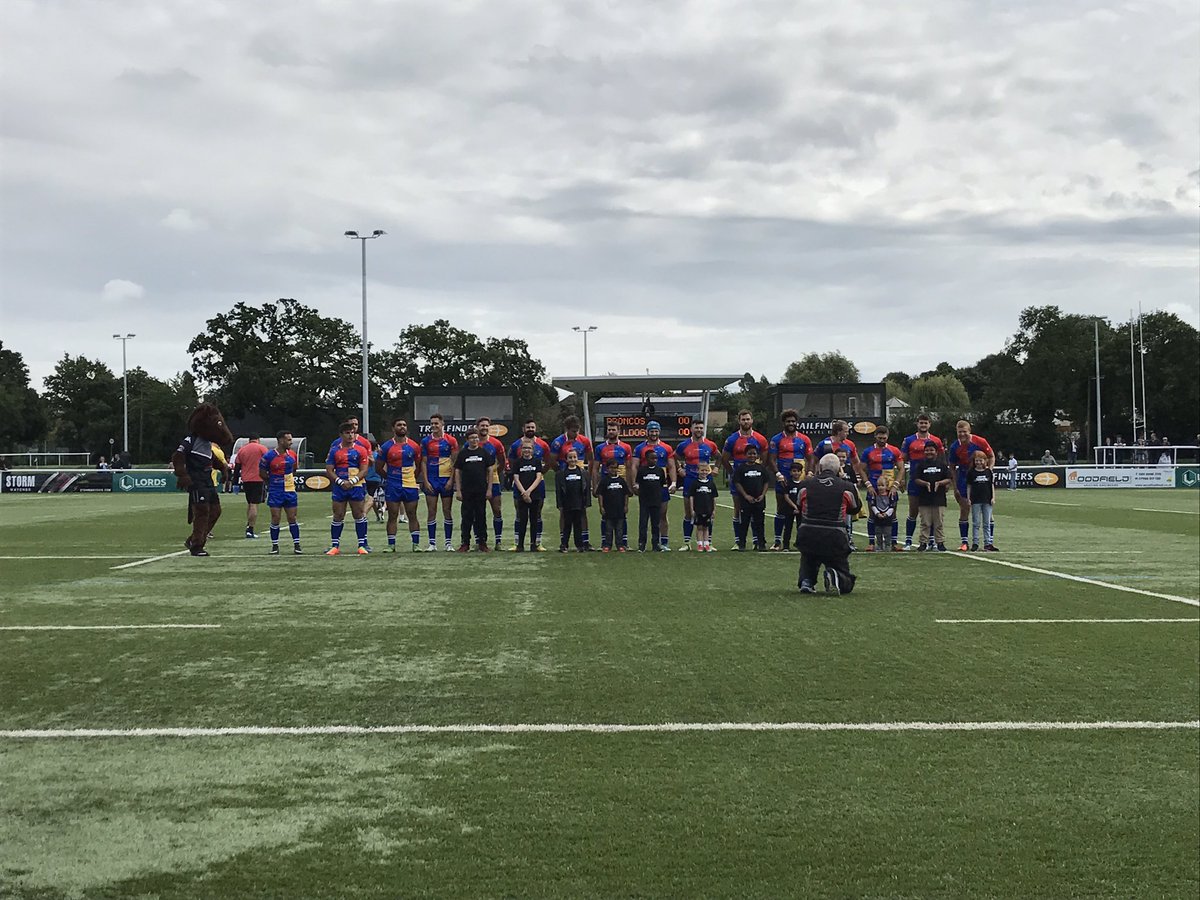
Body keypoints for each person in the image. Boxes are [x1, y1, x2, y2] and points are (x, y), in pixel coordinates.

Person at [172, 403, 234, 557]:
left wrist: (223, 469)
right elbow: (178, 456)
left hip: (208, 481)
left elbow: (212, 459)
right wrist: (182, 474)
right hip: (196, 481)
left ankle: (194, 539)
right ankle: (197, 546)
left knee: (216, 511)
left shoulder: (206, 444)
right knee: (202, 512)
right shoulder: (190, 440)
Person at [795, 453, 862, 595]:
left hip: (807, 533)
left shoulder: (805, 484)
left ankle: (806, 580)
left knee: (808, 555)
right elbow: (855, 508)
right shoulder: (847, 487)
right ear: (839, 469)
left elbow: (798, 505)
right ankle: (836, 575)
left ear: (819, 467)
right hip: (835, 535)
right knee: (843, 575)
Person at [721, 409, 770, 550]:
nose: (746, 422)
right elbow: (724, 459)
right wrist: (733, 474)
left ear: (752, 420)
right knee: (738, 509)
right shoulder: (732, 439)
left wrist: (759, 473)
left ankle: (756, 541)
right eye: (743, 419)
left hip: (755, 481)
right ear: (739, 421)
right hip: (739, 482)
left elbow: (765, 459)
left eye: (748, 419)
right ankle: (738, 541)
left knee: (756, 510)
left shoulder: (760, 439)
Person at [768, 410, 815, 551]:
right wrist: (777, 474)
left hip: (800, 479)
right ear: (784, 423)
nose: (791, 424)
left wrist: (810, 472)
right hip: (783, 479)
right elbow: (771, 459)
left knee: (802, 509)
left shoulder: (804, 439)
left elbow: (811, 457)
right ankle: (778, 541)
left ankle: (802, 541)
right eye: (788, 421)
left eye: (793, 421)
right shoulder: (776, 439)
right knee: (781, 509)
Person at [947, 420, 996, 551]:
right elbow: (952, 466)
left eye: (964, 432)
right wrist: (955, 485)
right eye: (959, 432)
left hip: (981, 477)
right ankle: (965, 542)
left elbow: (991, 456)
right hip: (964, 476)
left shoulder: (980, 441)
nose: (962, 434)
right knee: (965, 508)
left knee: (987, 510)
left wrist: (988, 471)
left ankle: (988, 541)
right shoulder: (954, 447)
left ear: (969, 431)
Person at [377, 418, 424, 552]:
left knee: (412, 514)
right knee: (393, 514)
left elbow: (419, 465)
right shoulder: (386, 447)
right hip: (393, 485)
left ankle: (416, 544)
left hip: (409, 484)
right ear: (393, 428)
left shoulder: (414, 446)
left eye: (404, 425)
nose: (402, 427)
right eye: (399, 425)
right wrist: (390, 478)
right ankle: (391, 545)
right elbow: (378, 468)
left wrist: (412, 478)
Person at [325, 422, 372, 555]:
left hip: (356, 486)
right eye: (347, 433)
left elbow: (364, 470)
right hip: (340, 487)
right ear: (341, 435)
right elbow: (329, 470)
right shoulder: (335, 450)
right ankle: (335, 545)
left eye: (352, 432)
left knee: (359, 514)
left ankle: (362, 544)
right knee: (338, 515)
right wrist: (340, 481)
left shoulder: (360, 450)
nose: (351, 435)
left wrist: (353, 481)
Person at [630, 421, 677, 550]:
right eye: (651, 431)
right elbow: (634, 466)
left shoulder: (666, 448)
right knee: (645, 516)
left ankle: (664, 542)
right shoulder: (640, 448)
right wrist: (634, 483)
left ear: (659, 432)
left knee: (662, 513)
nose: (654, 433)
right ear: (647, 432)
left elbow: (671, 466)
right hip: (646, 486)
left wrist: (673, 483)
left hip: (660, 485)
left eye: (656, 431)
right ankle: (643, 543)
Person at [900, 414, 944, 550]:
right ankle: (908, 541)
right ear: (917, 424)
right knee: (913, 510)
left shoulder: (936, 441)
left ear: (930, 424)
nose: (923, 425)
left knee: (931, 512)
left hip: (932, 480)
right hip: (915, 480)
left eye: (925, 423)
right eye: (921, 423)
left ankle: (931, 541)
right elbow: (902, 459)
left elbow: (941, 459)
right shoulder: (909, 440)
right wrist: (901, 478)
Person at [675, 419, 720, 550]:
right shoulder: (684, 445)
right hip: (690, 479)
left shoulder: (710, 445)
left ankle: (708, 543)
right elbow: (674, 457)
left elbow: (719, 456)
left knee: (708, 511)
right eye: (696, 427)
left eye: (701, 428)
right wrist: (679, 469)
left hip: (706, 480)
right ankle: (687, 542)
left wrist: (716, 468)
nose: (699, 430)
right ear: (691, 429)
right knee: (689, 512)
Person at [550, 416, 594, 550]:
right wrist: (561, 474)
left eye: (578, 430)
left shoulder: (584, 440)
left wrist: (588, 477)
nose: (576, 434)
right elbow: (552, 461)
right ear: (567, 429)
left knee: (582, 511)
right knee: (564, 512)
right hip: (566, 479)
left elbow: (591, 459)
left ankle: (584, 541)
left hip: (580, 480)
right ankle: (564, 542)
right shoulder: (558, 442)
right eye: (573, 431)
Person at [508, 418, 553, 550]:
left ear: (535, 428)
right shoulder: (516, 445)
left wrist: (538, 477)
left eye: (532, 427)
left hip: (537, 486)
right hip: (520, 486)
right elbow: (512, 464)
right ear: (523, 429)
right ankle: (518, 543)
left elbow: (548, 463)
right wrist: (523, 490)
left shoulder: (543, 445)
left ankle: (537, 543)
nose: (530, 430)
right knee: (519, 515)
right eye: (528, 427)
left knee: (537, 514)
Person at [861, 425, 904, 552]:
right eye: (879, 437)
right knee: (872, 514)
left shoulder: (894, 450)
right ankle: (871, 543)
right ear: (875, 437)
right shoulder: (868, 451)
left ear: (887, 437)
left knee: (893, 514)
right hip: (874, 488)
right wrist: (867, 484)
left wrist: (896, 485)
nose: (882, 440)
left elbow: (901, 469)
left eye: (884, 437)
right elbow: (861, 469)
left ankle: (894, 543)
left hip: (890, 488)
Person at [421, 413, 460, 551]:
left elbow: (455, 463)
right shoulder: (426, 441)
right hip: (431, 480)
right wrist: (425, 481)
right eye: (431, 423)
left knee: (446, 510)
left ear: (442, 424)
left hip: (445, 480)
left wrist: (451, 480)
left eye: (436, 423)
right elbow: (424, 463)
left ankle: (448, 543)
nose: (433, 426)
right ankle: (432, 543)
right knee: (431, 511)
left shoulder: (451, 441)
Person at [593, 421, 634, 551]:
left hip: (620, 486)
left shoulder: (626, 447)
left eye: (613, 430)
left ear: (618, 431)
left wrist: (630, 486)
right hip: (606, 485)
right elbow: (595, 468)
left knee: (622, 514)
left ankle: (623, 542)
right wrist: (595, 486)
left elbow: (629, 468)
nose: (611, 432)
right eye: (609, 430)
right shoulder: (600, 448)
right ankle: (605, 543)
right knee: (605, 515)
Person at [259, 430, 302, 555]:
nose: (291, 442)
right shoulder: (269, 456)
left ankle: (297, 544)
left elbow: (294, 469)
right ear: (281, 441)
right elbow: (262, 473)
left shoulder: (292, 455)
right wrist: (273, 482)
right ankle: (275, 545)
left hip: (289, 490)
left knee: (292, 518)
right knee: (275, 518)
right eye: (288, 440)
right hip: (275, 491)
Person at [453, 431, 494, 552]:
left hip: (481, 490)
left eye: (476, 437)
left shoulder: (484, 453)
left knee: (481, 516)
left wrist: (489, 489)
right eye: (471, 438)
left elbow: (490, 470)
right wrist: (458, 490)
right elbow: (457, 471)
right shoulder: (463, 454)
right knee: (466, 517)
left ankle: (482, 542)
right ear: (467, 440)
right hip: (467, 491)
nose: (474, 440)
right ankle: (465, 543)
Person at [475, 416, 509, 550]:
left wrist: (493, 473)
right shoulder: (472, 443)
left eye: (486, 426)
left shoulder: (496, 443)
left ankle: (498, 541)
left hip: (493, 481)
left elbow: (502, 461)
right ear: (477, 427)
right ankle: (480, 540)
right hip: (477, 483)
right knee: (478, 512)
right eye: (481, 425)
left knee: (497, 510)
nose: (484, 428)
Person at [913, 443, 951, 551]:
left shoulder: (942, 465)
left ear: (936, 452)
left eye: (931, 450)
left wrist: (940, 483)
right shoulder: (921, 465)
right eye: (927, 450)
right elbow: (916, 479)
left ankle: (940, 543)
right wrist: (925, 483)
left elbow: (949, 478)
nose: (929, 452)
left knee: (939, 522)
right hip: (924, 499)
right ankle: (923, 543)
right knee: (925, 523)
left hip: (939, 499)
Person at [511, 438, 546, 552]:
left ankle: (533, 544)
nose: (527, 450)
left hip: (534, 495)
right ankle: (520, 545)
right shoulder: (517, 462)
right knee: (522, 519)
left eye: (529, 448)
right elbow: (516, 478)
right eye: (524, 448)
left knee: (534, 519)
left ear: (533, 450)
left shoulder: (536, 461)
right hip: (522, 495)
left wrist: (529, 491)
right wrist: (524, 492)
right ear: (521, 449)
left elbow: (538, 477)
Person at [732, 444, 768, 550]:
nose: (752, 456)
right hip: (746, 501)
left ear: (757, 455)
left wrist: (763, 495)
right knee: (744, 523)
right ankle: (742, 544)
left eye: (754, 454)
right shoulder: (741, 468)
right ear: (745, 455)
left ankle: (761, 544)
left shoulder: (761, 468)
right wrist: (745, 495)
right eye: (749, 453)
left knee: (760, 523)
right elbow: (737, 483)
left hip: (759, 500)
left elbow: (766, 482)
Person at [233, 435, 269, 539]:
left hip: (246, 480)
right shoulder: (262, 448)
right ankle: (250, 529)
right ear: (258, 440)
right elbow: (268, 463)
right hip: (258, 479)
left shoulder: (242, 450)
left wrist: (235, 482)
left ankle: (248, 525)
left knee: (249, 503)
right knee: (254, 504)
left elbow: (237, 467)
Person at [634, 446, 667, 552]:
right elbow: (638, 483)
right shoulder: (642, 470)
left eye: (656, 458)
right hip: (644, 501)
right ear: (647, 459)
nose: (654, 460)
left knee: (655, 524)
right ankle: (641, 544)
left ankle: (655, 544)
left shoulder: (660, 471)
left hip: (656, 501)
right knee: (643, 523)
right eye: (652, 458)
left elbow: (662, 484)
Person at [556, 447, 589, 551]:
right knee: (567, 525)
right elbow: (559, 491)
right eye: (570, 457)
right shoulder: (561, 474)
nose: (573, 459)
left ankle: (579, 545)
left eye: (574, 457)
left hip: (579, 503)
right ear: (566, 459)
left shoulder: (583, 473)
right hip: (567, 504)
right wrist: (560, 504)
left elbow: (586, 489)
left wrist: (586, 502)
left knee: (578, 525)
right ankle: (564, 545)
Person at [597, 458, 632, 551]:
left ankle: (620, 545)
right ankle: (607, 545)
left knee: (619, 529)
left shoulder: (621, 481)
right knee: (608, 529)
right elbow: (600, 494)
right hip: (608, 510)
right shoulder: (604, 481)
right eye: (611, 468)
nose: (613, 470)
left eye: (615, 468)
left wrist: (626, 506)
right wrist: (601, 506)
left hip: (620, 510)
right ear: (607, 469)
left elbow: (626, 494)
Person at [966, 451, 998, 552]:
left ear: (985, 461)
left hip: (987, 500)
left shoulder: (988, 472)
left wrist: (993, 497)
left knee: (987, 523)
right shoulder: (971, 472)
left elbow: (991, 485)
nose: (979, 462)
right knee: (976, 523)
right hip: (976, 500)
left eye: (981, 460)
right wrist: (968, 498)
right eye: (977, 461)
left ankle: (988, 543)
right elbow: (969, 486)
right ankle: (975, 543)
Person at [690, 463, 718, 552]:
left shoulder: (711, 483)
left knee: (706, 527)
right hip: (698, 509)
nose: (704, 472)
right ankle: (700, 544)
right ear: (698, 471)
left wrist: (714, 510)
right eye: (702, 470)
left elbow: (714, 498)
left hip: (708, 509)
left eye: (706, 470)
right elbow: (691, 497)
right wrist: (692, 509)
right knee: (699, 527)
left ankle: (706, 544)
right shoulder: (695, 483)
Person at [779, 464, 805, 552]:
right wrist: (794, 507)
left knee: (801, 527)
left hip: (800, 510)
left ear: (801, 472)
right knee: (788, 527)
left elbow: (805, 497)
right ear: (790, 472)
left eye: (798, 471)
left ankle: (800, 544)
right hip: (789, 509)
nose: (796, 473)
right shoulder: (788, 483)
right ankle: (786, 545)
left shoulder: (803, 484)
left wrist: (799, 508)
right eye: (794, 471)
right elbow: (786, 497)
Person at [363, 435, 385, 522]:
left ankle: (378, 516)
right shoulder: (377, 456)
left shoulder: (365, 456)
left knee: (371, 498)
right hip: (376, 479)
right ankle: (363, 515)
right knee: (371, 498)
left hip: (366, 479)